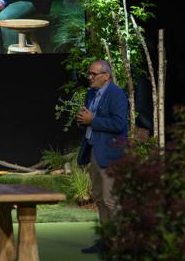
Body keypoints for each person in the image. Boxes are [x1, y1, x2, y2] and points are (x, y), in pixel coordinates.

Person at [76, 60, 128, 253]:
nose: (89, 77)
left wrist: (93, 120)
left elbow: (119, 124)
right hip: (93, 151)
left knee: (110, 200)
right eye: (89, 74)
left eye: (93, 74)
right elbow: (90, 120)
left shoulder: (116, 94)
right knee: (99, 198)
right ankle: (106, 241)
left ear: (106, 76)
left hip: (110, 154)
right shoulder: (91, 94)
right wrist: (83, 119)